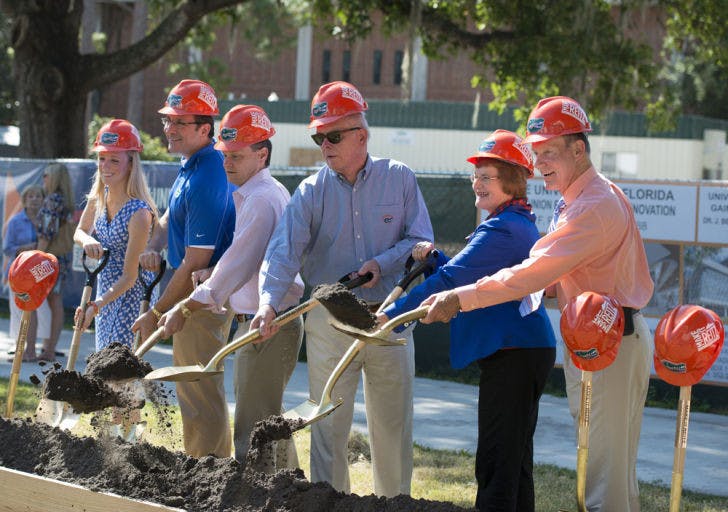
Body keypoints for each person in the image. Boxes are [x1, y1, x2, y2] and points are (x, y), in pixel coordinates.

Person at [421, 96, 654, 512]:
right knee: (610, 475)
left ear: (578, 149)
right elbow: (555, 276)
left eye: (550, 151)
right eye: (536, 151)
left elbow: (534, 274)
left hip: (610, 345)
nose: (539, 161)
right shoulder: (583, 198)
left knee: (603, 484)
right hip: (601, 342)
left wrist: (460, 297)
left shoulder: (592, 205)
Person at [253, 81, 434, 497]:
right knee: (327, 424)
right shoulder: (310, 191)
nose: (325, 145)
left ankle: (394, 506)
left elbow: (420, 241)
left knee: (392, 426)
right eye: (319, 137)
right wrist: (267, 303)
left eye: (333, 135)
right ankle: (329, 506)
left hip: (390, 315)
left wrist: (382, 263)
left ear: (361, 136)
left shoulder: (400, 178)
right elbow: (283, 253)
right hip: (329, 319)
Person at [379, 130, 556, 511]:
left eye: (487, 176)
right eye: (475, 176)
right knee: (512, 461)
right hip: (524, 349)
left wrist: (390, 316)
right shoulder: (512, 222)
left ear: (512, 180)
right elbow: (469, 273)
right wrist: (437, 259)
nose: (477, 183)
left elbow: (452, 282)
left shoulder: (503, 227)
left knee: (496, 461)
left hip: (516, 351)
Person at [158, 105, 304, 471]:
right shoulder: (256, 194)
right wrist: (212, 278)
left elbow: (238, 262)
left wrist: (187, 305)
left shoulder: (260, 200)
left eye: (236, 156)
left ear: (262, 155)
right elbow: (247, 263)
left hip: (267, 323)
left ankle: (268, 498)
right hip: (262, 321)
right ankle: (291, 493)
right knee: (266, 423)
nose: (227, 164)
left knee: (255, 429)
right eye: (225, 155)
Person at [132, 79, 236, 458]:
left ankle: (209, 478)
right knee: (192, 392)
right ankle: (205, 474)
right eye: (166, 121)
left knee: (198, 393)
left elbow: (197, 260)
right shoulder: (190, 164)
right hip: (189, 295)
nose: (168, 129)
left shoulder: (209, 175)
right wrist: (155, 245)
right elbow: (167, 224)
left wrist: (158, 311)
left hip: (202, 300)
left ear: (204, 129)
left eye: (179, 122)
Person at [73, 119, 158, 351]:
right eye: (102, 158)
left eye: (114, 160)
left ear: (130, 164)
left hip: (132, 294)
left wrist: (95, 306)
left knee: (119, 366)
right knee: (104, 358)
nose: (106, 166)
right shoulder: (98, 197)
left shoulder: (139, 213)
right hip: (105, 288)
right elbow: (79, 231)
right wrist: (88, 240)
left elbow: (130, 277)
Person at [3, 184, 51, 361]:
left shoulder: (46, 220)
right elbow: (7, 249)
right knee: (18, 310)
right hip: (19, 274)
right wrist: (26, 249)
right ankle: (19, 350)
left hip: (41, 274)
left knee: (43, 310)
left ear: (43, 199)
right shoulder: (15, 221)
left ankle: (41, 348)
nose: (34, 199)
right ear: (24, 200)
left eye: (38, 196)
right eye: (30, 196)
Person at [35, 162, 75, 361]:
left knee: (51, 302)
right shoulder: (66, 200)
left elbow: (46, 235)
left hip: (49, 259)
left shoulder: (52, 200)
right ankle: (49, 347)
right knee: (55, 302)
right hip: (63, 258)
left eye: (46, 175)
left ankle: (48, 349)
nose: (43, 179)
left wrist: (34, 258)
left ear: (55, 178)